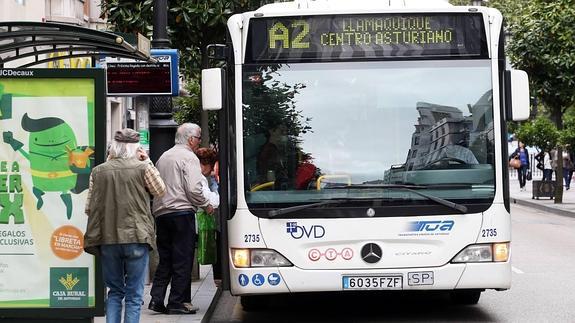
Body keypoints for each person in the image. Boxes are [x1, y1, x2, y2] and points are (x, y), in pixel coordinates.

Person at [84, 128, 166, 323]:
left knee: (114, 292)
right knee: (134, 295)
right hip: (136, 237)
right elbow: (160, 191)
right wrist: (146, 160)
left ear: (114, 147)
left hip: (108, 237)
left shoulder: (98, 171)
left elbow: (89, 208)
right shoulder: (143, 167)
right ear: (136, 148)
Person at [149, 123, 214, 315]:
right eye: (199, 137)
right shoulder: (189, 157)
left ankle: (156, 298)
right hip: (181, 212)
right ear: (191, 139)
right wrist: (205, 204)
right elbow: (194, 188)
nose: (199, 141)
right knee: (183, 259)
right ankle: (177, 301)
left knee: (166, 258)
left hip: (162, 213)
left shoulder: (163, 157)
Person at [195, 148, 222, 285]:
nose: (211, 170)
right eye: (211, 166)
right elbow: (214, 202)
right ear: (205, 164)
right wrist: (215, 186)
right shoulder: (200, 178)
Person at [257, 121, 295, 190]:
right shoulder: (268, 150)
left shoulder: (283, 149)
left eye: (286, 131)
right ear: (271, 131)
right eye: (281, 131)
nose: (284, 134)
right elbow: (268, 172)